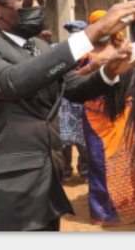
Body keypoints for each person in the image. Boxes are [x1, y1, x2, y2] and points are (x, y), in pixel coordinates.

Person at [0, 0, 135, 231]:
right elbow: (12, 81)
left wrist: (110, 71)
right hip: (10, 189)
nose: (36, 7)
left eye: (39, 1)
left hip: (47, 180)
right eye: (27, 2)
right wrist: (91, 33)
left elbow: (71, 86)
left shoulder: (37, 45)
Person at [80, 9, 135, 226]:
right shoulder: (83, 52)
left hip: (125, 111)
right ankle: (105, 213)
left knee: (132, 157)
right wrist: (94, 66)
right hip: (96, 115)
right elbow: (72, 80)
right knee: (100, 160)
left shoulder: (125, 46)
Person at [59, 20, 90, 183]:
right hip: (65, 102)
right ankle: (66, 170)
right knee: (65, 138)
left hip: (83, 100)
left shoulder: (90, 53)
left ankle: (84, 170)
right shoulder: (59, 50)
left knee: (83, 137)